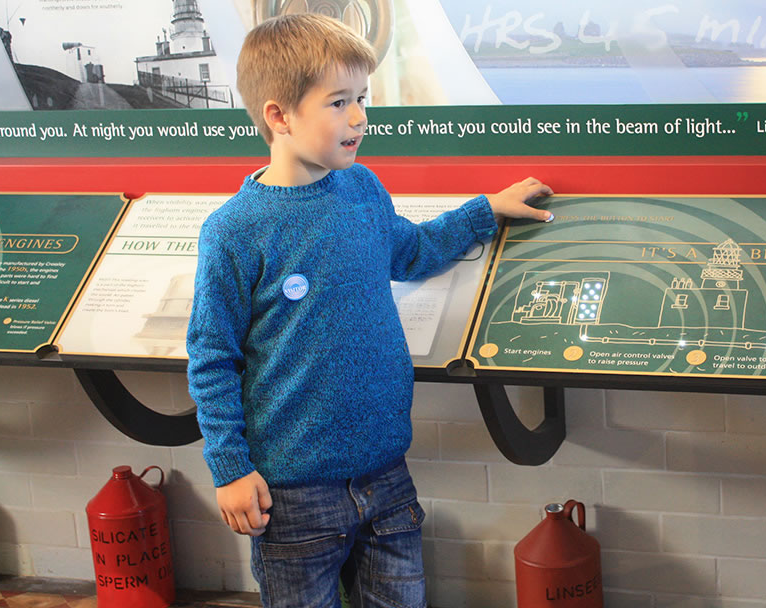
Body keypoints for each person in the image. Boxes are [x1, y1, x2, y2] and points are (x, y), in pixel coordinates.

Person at [185, 13, 553, 608]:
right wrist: (229, 468)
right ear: (278, 116)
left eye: (363, 98)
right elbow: (211, 357)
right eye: (338, 102)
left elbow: (410, 251)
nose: (359, 117)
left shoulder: (362, 189)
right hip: (292, 493)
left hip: (386, 472)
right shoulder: (235, 230)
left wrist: (486, 210)